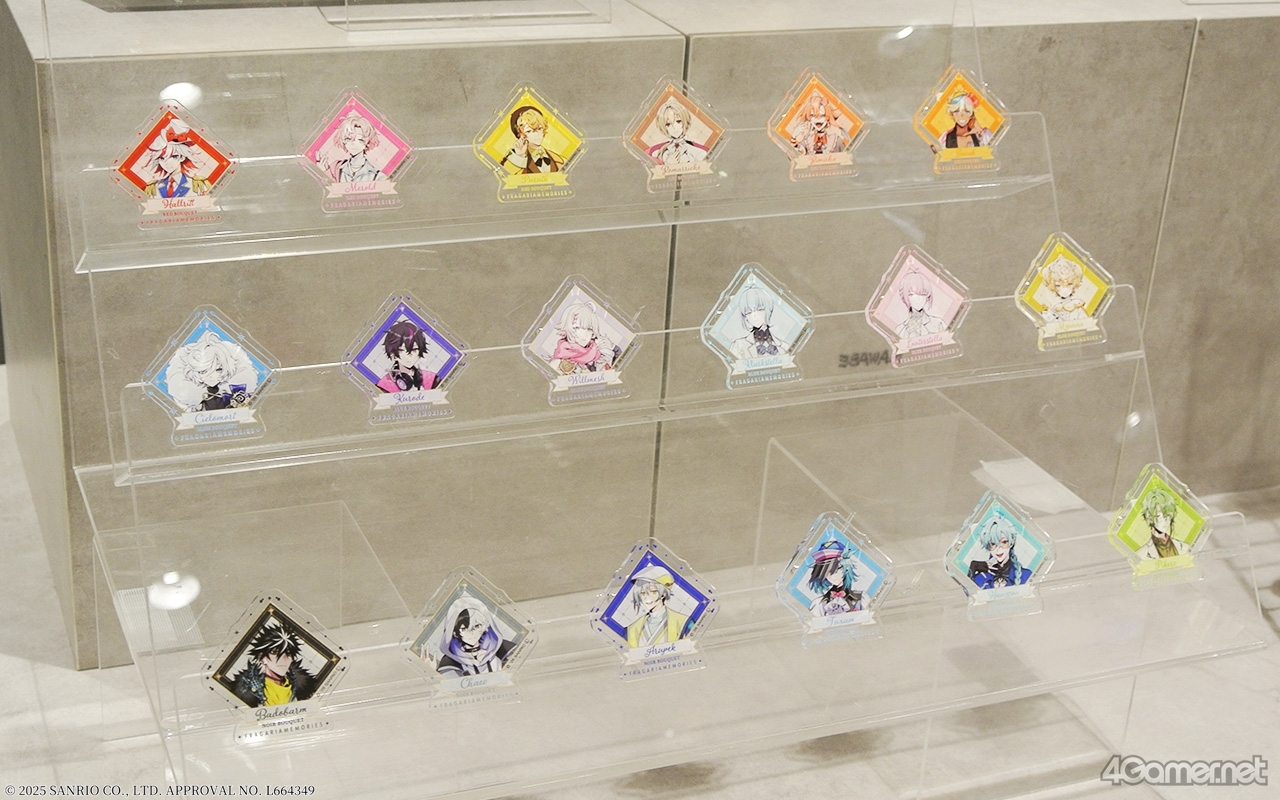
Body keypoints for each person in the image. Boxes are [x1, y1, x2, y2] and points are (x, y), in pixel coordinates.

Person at [164, 330, 259, 412]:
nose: (211, 376)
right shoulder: (193, 398)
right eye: (203, 371)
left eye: (219, 370)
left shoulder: (232, 389)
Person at [229, 622, 318, 707]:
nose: (283, 659)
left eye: (288, 653)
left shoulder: (303, 687)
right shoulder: (248, 690)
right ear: (262, 658)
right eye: (274, 652)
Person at [435, 596, 515, 677]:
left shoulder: (501, 648)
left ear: (484, 626)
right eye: (464, 629)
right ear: (455, 633)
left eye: (476, 626)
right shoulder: (451, 662)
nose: (472, 633)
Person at [625, 565, 691, 648]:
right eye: (642, 593)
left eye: (653, 591)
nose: (647, 597)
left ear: (663, 593)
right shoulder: (632, 628)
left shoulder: (683, 622)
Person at [142, 120, 212, 199]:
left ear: (182, 157)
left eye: (173, 157)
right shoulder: (153, 188)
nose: (166, 162)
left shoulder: (198, 185)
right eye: (162, 158)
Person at [548, 301, 619, 374]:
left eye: (589, 329)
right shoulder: (559, 360)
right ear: (567, 329)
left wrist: (613, 348)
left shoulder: (600, 354)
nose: (584, 335)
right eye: (576, 328)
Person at [318, 111, 388, 184]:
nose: (353, 143)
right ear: (343, 141)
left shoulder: (378, 176)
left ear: (367, 143)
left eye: (360, 140)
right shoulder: (335, 168)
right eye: (348, 139)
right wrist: (323, 172)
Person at [967, 516, 1031, 590]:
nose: (998, 549)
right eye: (992, 544)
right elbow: (970, 592)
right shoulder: (980, 577)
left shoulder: (1025, 574)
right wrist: (973, 567)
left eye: (1004, 542)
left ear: (1011, 543)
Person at [376, 320, 438, 393]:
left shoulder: (430, 378)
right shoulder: (384, 384)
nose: (408, 355)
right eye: (401, 350)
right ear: (392, 354)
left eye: (414, 350)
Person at [730, 286, 790, 360]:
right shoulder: (738, 345)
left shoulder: (784, 346)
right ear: (746, 318)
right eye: (749, 312)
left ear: (768, 310)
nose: (754, 315)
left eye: (760, 309)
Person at [500, 106, 564, 175]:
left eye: (539, 129)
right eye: (529, 131)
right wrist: (520, 156)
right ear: (519, 134)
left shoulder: (557, 159)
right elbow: (505, 176)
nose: (536, 134)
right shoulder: (513, 159)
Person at [806, 540, 863, 616]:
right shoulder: (819, 603)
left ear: (846, 568)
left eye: (837, 570)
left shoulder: (860, 597)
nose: (833, 576)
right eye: (827, 573)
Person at [646, 101, 709, 166]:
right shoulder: (659, 153)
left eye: (678, 121)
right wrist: (668, 164)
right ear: (664, 127)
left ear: (685, 120)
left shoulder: (699, 153)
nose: (674, 127)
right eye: (668, 124)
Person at [790, 92, 851, 156]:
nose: (818, 120)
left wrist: (841, 134)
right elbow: (795, 156)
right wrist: (793, 137)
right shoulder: (807, 139)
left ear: (827, 117)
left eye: (822, 116)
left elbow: (848, 154)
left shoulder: (835, 138)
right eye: (813, 116)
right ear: (809, 118)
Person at [1136, 488, 1188, 560]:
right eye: (1159, 516)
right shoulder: (1141, 555)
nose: (1165, 521)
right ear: (1149, 518)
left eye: (1168, 515)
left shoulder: (1185, 547)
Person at [893, 270, 947, 339]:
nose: (918, 299)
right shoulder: (899, 330)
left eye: (923, 294)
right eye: (911, 294)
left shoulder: (938, 324)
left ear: (927, 296)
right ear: (905, 297)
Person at [1040, 256, 1088, 321]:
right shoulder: (1052, 306)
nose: (1064, 289)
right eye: (1058, 285)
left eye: (1069, 284)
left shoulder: (1077, 304)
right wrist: (1050, 315)